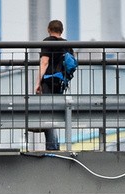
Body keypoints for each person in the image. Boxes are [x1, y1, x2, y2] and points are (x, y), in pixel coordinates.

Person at [35, 19, 72, 151]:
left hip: (48, 82)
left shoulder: (47, 41)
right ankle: (55, 145)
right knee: (54, 114)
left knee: (47, 114)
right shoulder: (68, 44)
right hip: (60, 83)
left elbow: (44, 62)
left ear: (49, 30)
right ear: (61, 31)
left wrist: (38, 83)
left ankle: (52, 147)